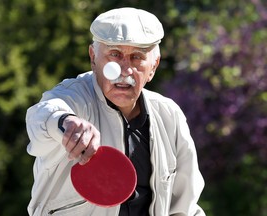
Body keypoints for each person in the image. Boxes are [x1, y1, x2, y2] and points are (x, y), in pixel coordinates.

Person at [26, 7, 205, 216]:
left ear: (154, 66)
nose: (124, 70)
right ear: (93, 57)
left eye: (137, 57)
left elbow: (185, 208)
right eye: (115, 55)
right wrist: (67, 123)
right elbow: (42, 116)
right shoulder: (74, 98)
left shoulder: (169, 116)